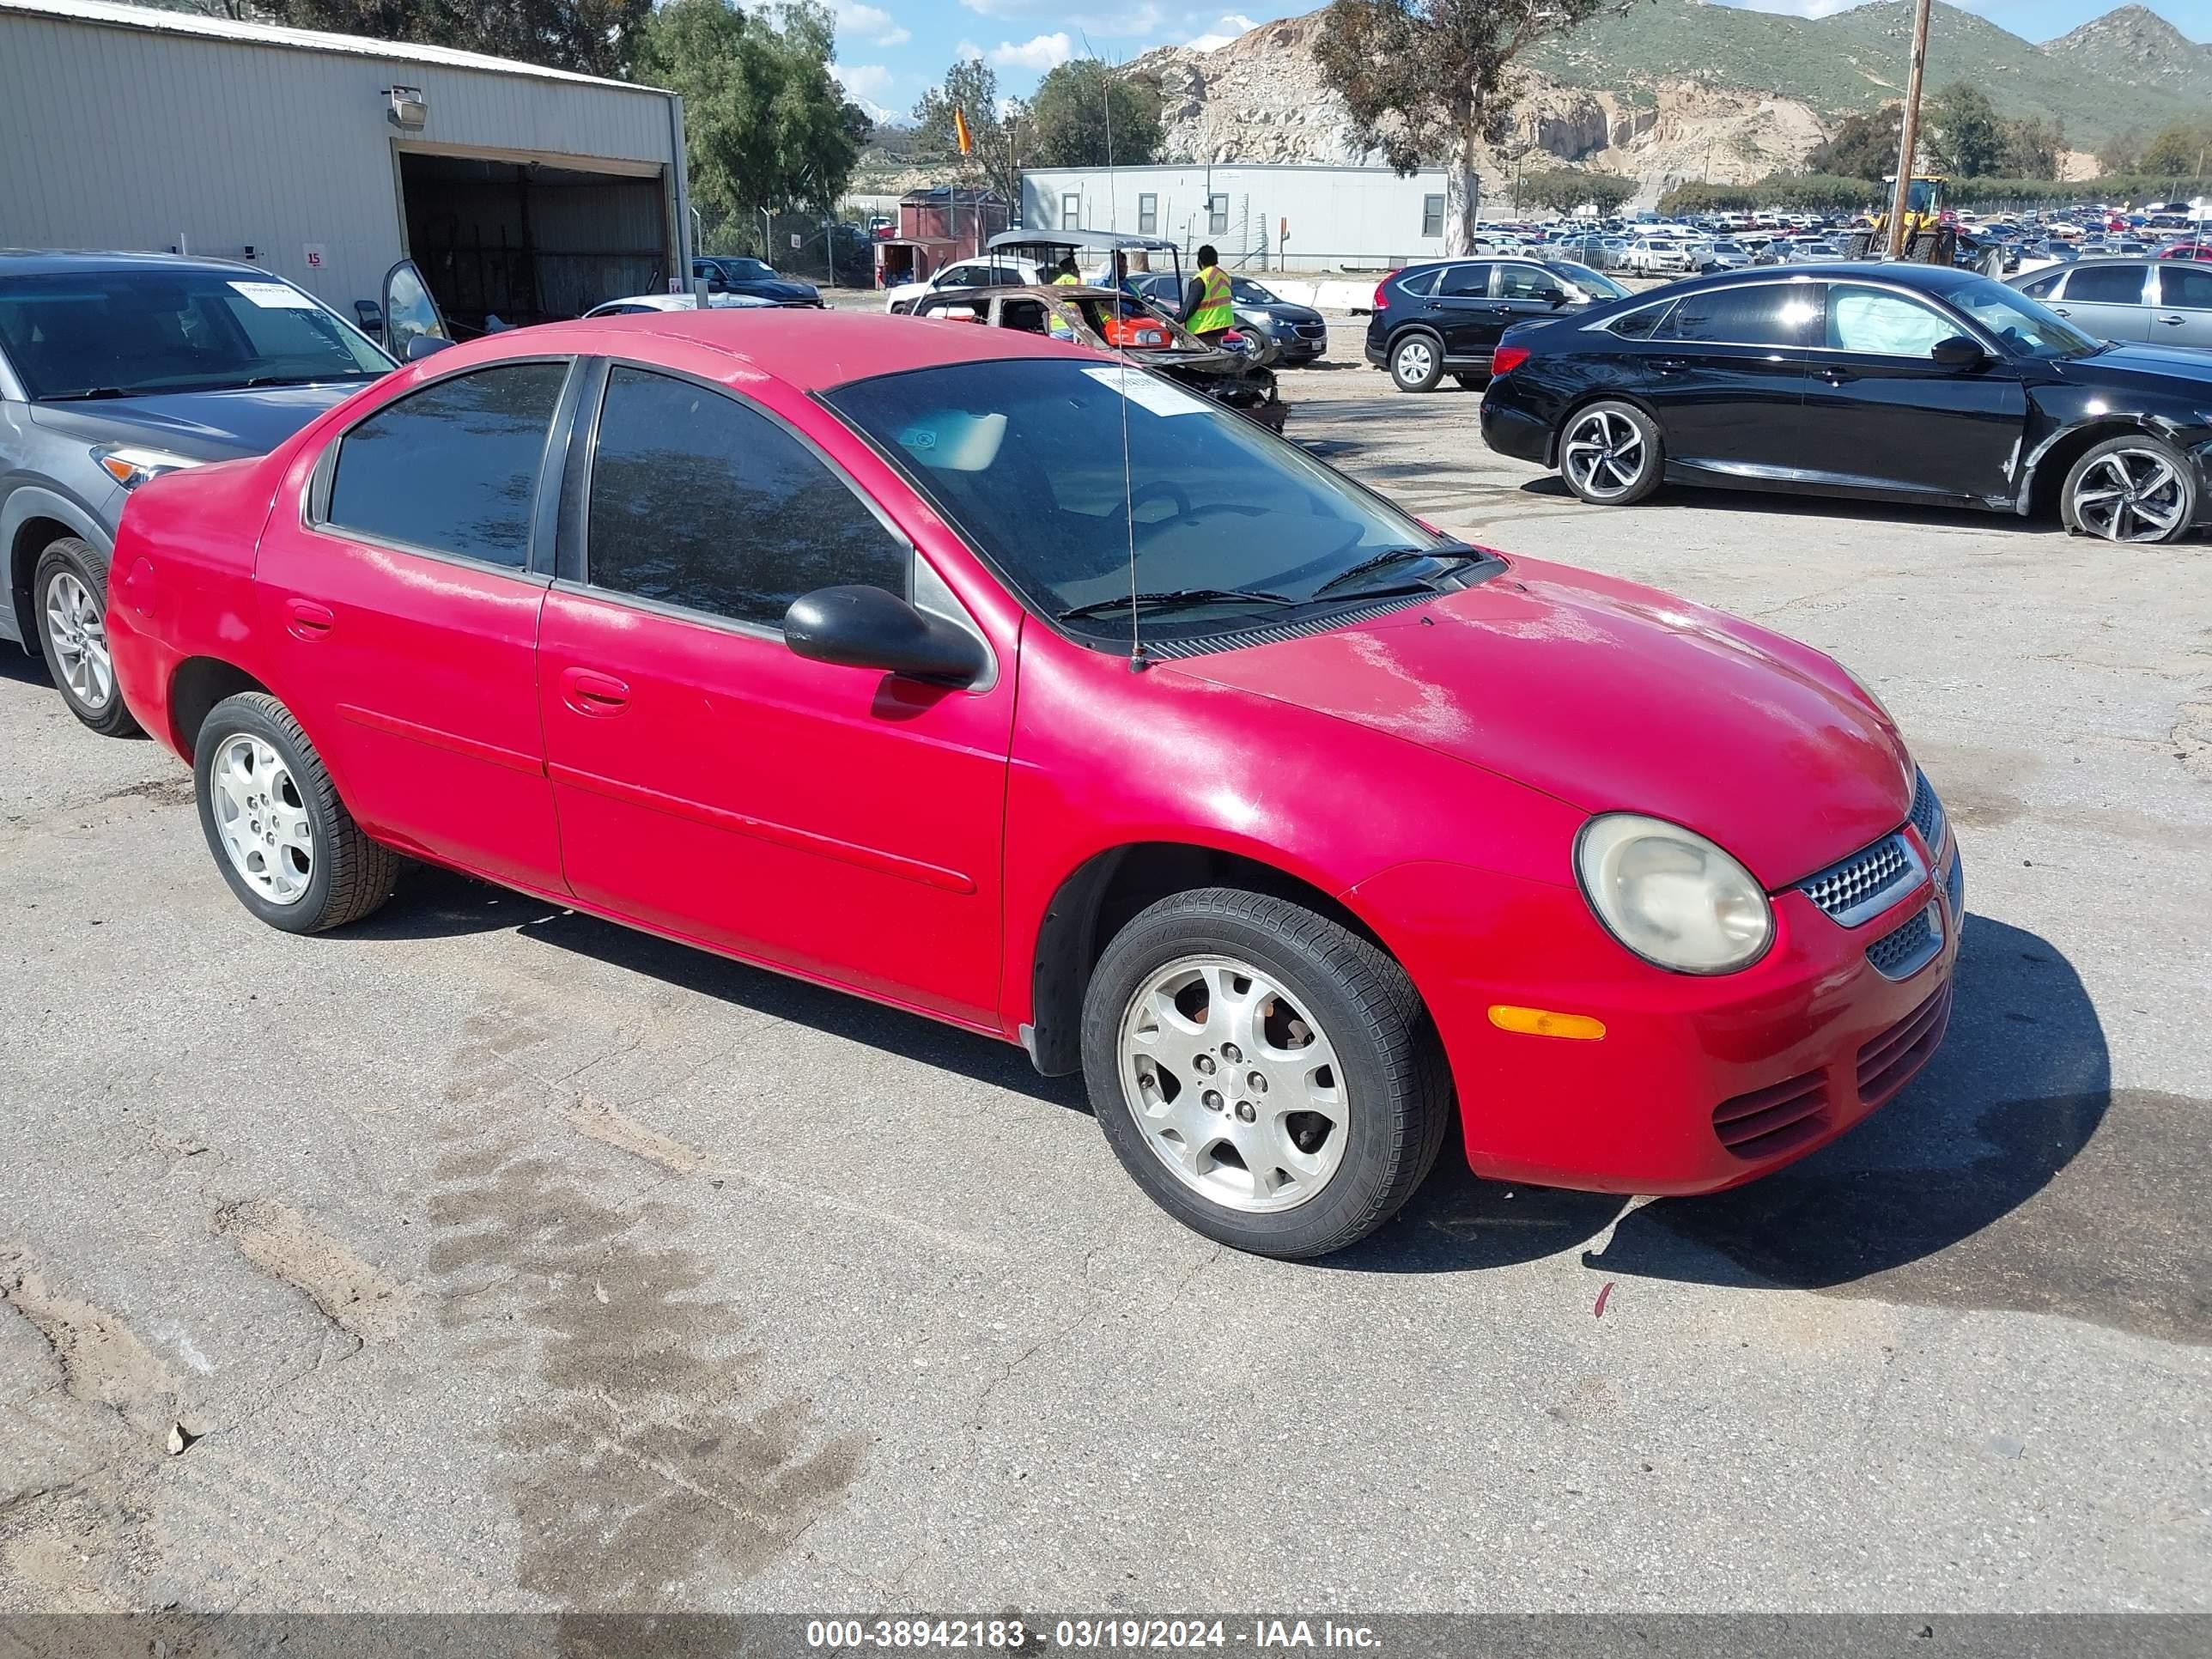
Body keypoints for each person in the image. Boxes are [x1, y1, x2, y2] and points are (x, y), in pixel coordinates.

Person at [1182, 244, 1235, 344]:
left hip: (1204, 326)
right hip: (1221, 325)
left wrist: (1176, 320)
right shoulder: (1224, 276)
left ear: (1200, 261)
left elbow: (1191, 305)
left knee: (1202, 357)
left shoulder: (1202, 277)